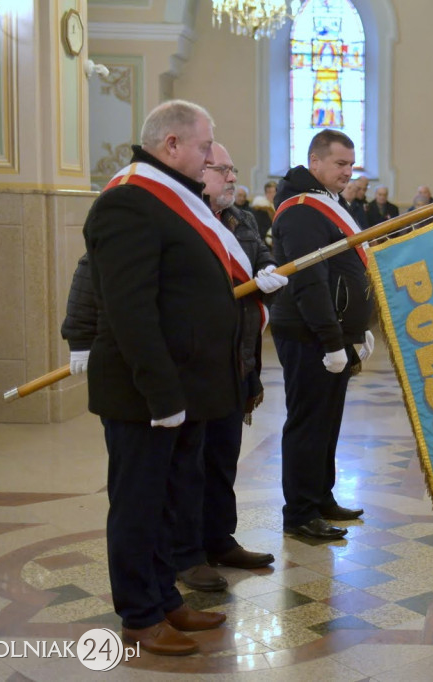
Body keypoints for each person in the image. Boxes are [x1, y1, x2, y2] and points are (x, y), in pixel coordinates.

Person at [82, 100, 276, 656]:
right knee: (139, 506)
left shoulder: (174, 203)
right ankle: (140, 616)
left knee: (172, 503)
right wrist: (161, 393)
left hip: (185, 389)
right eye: (204, 145)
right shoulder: (129, 203)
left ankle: (165, 598)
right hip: (147, 394)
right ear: (171, 144)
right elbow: (130, 310)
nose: (211, 155)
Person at [171, 143, 284, 592]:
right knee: (188, 464)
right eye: (223, 169)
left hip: (235, 360)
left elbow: (260, 263)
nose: (233, 177)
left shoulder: (242, 220)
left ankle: (219, 539)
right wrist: (78, 336)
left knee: (222, 458)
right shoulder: (178, 218)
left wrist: (271, 272)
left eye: (235, 169)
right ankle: (186, 553)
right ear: (200, 173)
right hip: (191, 362)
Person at [270, 129, 375, 540]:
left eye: (351, 164)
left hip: (331, 333)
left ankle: (321, 497)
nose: (347, 172)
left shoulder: (333, 202)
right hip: (307, 333)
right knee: (308, 422)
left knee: (328, 420)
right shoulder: (300, 210)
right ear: (315, 163)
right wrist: (332, 340)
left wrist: (356, 329)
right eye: (339, 164)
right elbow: (310, 281)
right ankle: (299, 513)